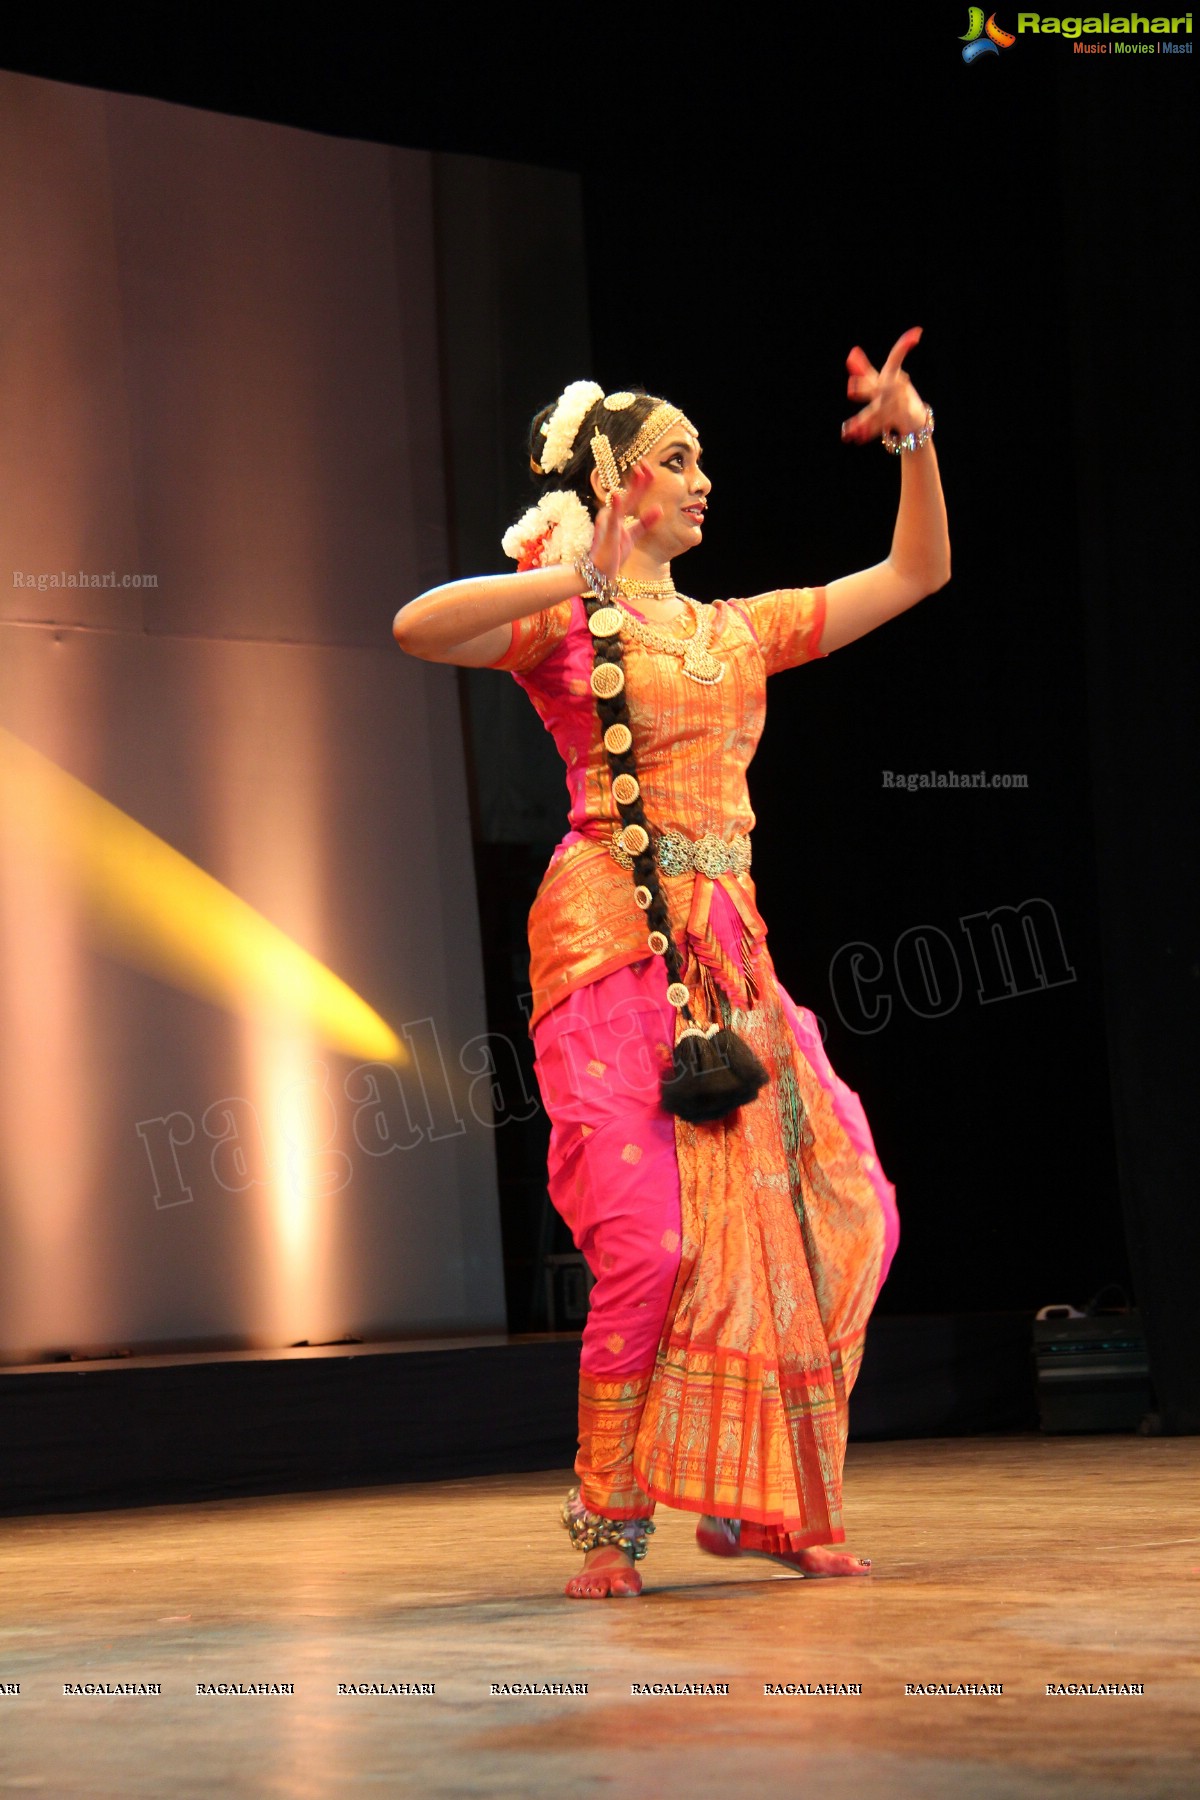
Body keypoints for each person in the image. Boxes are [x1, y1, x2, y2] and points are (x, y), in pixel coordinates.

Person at [393, 331, 950, 1598]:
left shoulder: (737, 631)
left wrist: (913, 438)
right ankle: (608, 1524)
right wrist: (565, 580)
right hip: (607, 950)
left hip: (732, 957)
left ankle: (766, 1509)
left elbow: (918, 572)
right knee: (649, 1242)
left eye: (701, 462)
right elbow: (417, 627)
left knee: (837, 1214)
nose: (703, 481)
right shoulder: (561, 624)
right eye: (676, 461)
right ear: (618, 487)